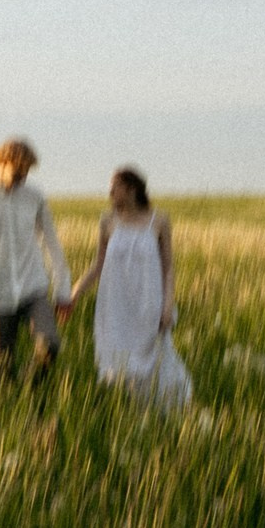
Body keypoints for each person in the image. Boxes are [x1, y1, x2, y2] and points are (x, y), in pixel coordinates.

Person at [64, 166, 191, 409]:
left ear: (132, 189)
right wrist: (76, 293)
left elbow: (168, 268)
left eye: (115, 187)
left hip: (148, 302)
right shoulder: (107, 221)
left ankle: (163, 409)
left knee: (155, 357)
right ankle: (124, 409)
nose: (110, 192)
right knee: (117, 361)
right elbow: (98, 265)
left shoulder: (159, 220)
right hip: (115, 305)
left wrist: (167, 305)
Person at [0, 137, 69, 379]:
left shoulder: (34, 197)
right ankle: (12, 409)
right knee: (2, 369)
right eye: (18, 172)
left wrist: (63, 291)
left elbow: (52, 244)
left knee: (50, 345)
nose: (22, 179)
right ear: (2, 162)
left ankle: (30, 387)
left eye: (26, 173)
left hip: (33, 288)